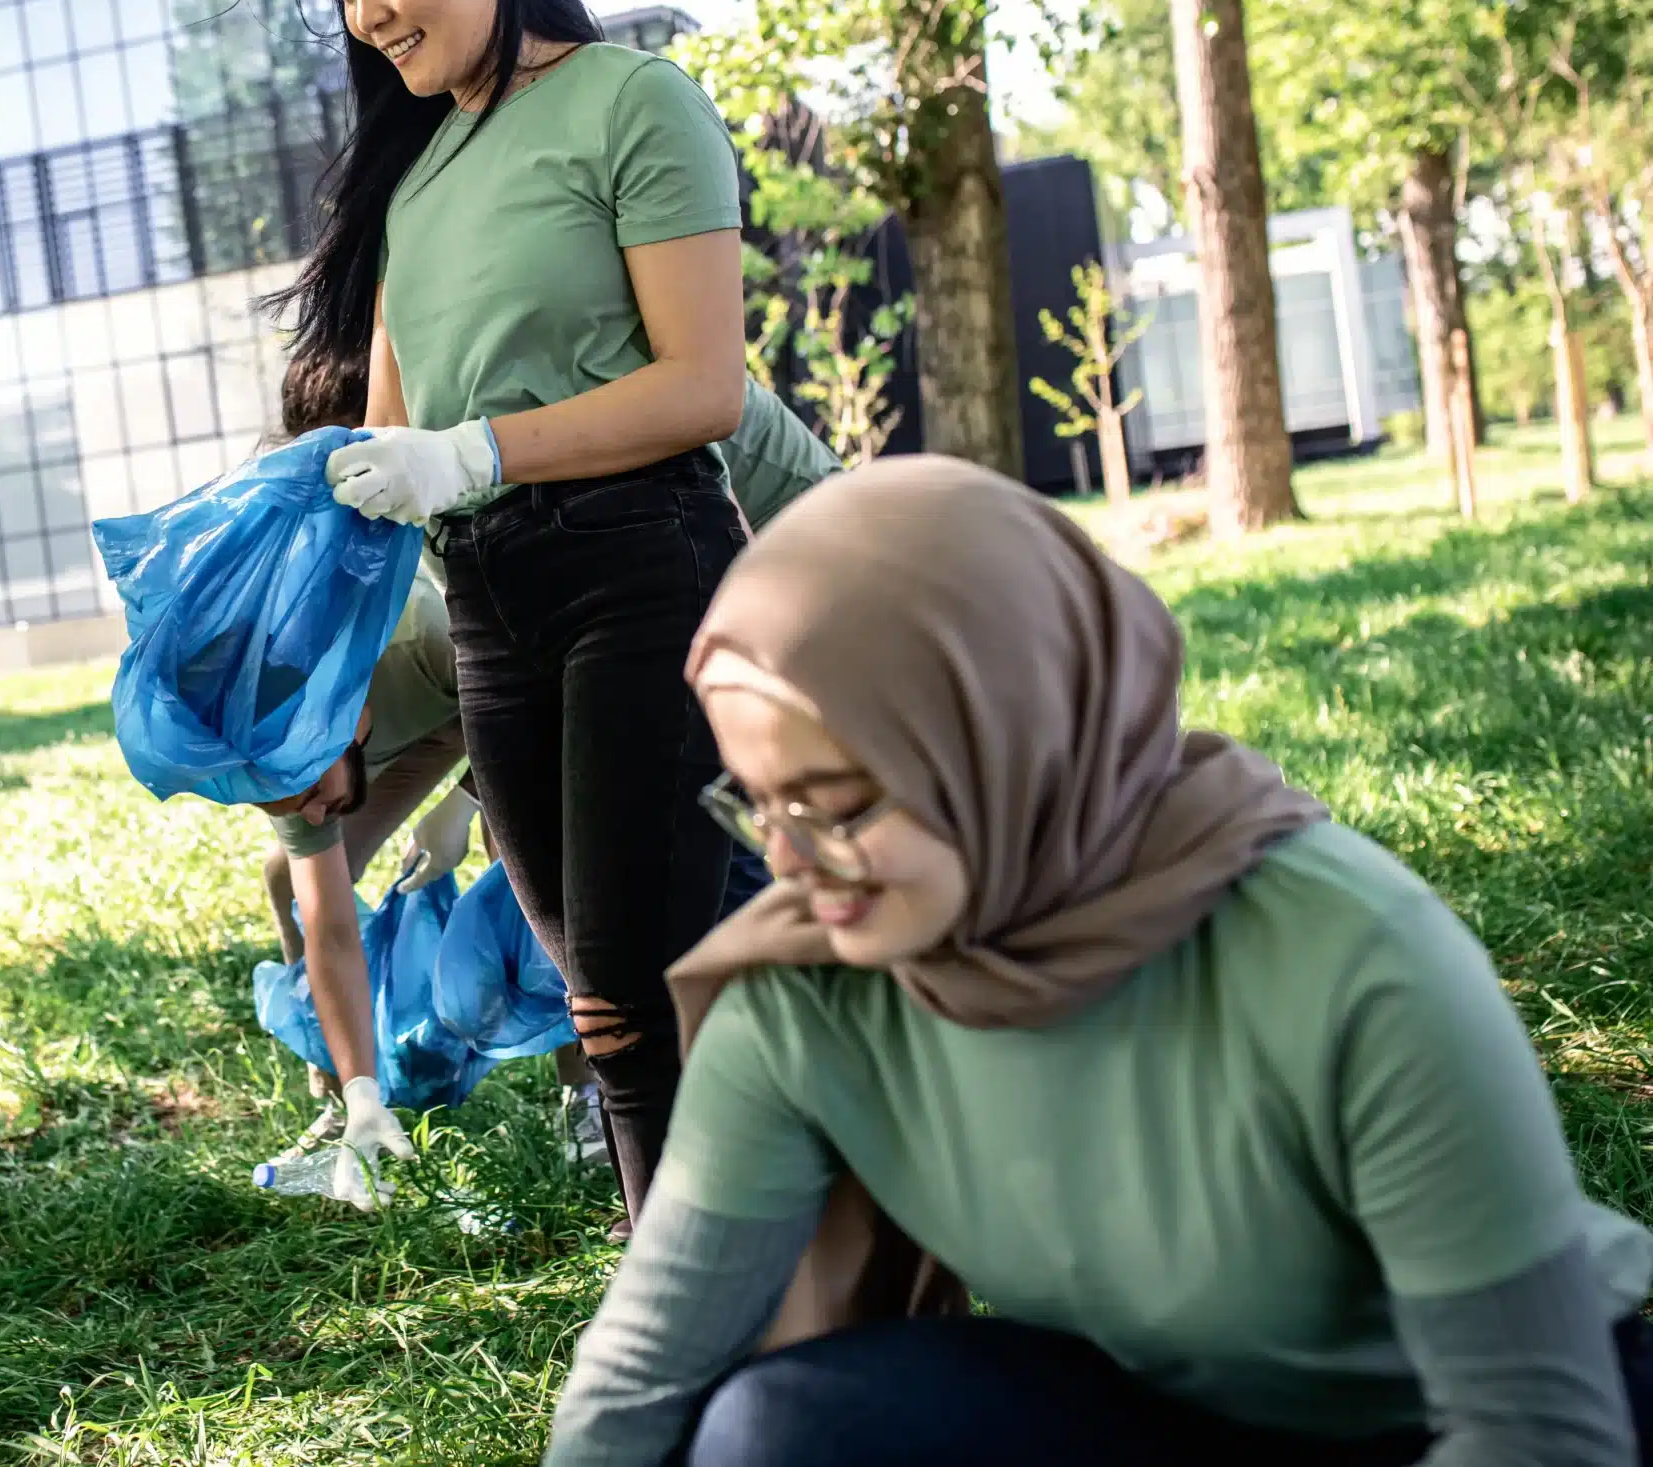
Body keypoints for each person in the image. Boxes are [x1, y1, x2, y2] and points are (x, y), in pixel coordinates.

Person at [544, 456, 1653, 1467]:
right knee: (782, 1433)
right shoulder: (809, 996)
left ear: (999, 738)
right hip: (1168, 1407)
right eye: (759, 803)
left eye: (829, 805)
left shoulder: (1348, 956)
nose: (791, 861)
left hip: (1474, 1418)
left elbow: (1536, 1430)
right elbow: (645, 1369)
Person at [281, 0, 756, 1226]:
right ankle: (750, 1217)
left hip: (639, 564)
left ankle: (682, 1292)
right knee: (594, 979)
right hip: (489, 605)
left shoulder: (632, 99)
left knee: (624, 963)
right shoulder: (415, 174)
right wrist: (312, 659)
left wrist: (475, 451)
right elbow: (380, 448)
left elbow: (706, 387)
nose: (366, 12)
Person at [262, 360, 834, 1200]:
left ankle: (744, 1144)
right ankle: (658, 1155)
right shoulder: (365, 583)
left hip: (786, 573)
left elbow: (543, 689)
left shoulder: (470, 491)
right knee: (614, 926)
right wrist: (360, 1092)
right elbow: (324, 906)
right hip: (666, 595)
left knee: (710, 880)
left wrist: (463, 802)